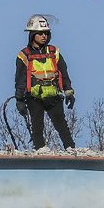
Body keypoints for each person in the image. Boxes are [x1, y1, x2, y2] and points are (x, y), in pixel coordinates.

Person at [15, 15, 76, 150]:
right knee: (37, 127)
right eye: (40, 33)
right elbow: (20, 79)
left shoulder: (54, 52)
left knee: (62, 125)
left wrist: (69, 91)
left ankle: (71, 149)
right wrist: (19, 99)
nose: (44, 36)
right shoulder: (24, 55)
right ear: (32, 35)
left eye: (46, 33)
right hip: (34, 98)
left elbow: (64, 73)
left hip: (53, 96)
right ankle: (40, 151)